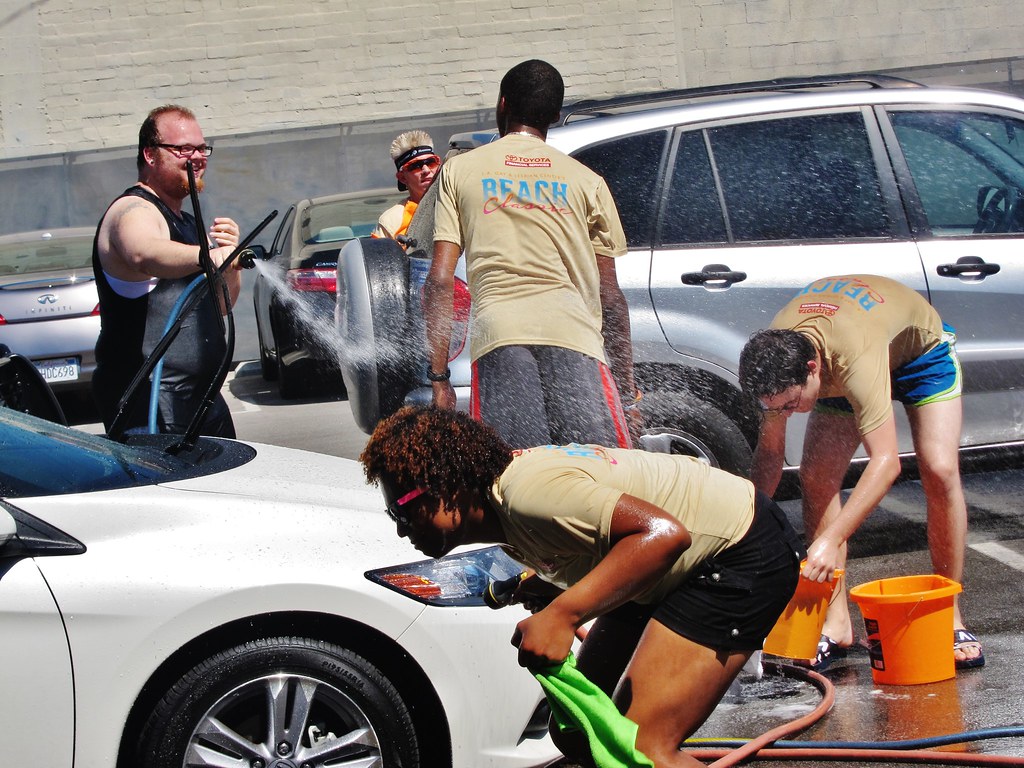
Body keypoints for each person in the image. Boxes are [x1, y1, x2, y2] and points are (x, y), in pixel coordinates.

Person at [360, 405, 803, 768]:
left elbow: (664, 535)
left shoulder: (527, 495)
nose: (401, 531)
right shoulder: (506, 502)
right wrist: (551, 588)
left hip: (738, 549)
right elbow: (601, 539)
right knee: (576, 732)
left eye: (402, 512)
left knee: (641, 748)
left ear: (445, 488)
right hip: (670, 562)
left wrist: (563, 615)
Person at [738, 274, 983, 671]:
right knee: (816, 477)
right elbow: (770, 453)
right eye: (776, 408)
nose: (786, 414)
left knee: (938, 470)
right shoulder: (778, 365)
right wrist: (747, 522)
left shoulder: (851, 355)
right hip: (845, 364)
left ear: (813, 369)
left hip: (920, 354)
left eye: (792, 405)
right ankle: (835, 626)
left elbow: (887, 462)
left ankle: (950, 614)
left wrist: (830, 540)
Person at [424, 59, 640, 449]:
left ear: (502, 104)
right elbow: (610, 298)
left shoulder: (460, 171)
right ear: (556, 116)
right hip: (576, 339)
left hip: (500, 337)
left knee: (522, 480)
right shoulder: (588, 182)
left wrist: (439, 378)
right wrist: (626, 389)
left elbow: (439, 281)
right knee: (595, 476)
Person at [92, 104, 242, 437]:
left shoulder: (190, 224)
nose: (198, 157)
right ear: (150, 155)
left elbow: (221, 305)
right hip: (153, 399)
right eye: (183, 149)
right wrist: (208, 257)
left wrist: (229, 262)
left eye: (202, 148)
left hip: (204, 397)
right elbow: (143, 253)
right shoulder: (132, 210)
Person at [370, 129, 441, 242]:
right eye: (415, 166)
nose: (426, 170)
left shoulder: (459, 203)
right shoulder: (391, 221)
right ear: (402, 178)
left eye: (430, 162)